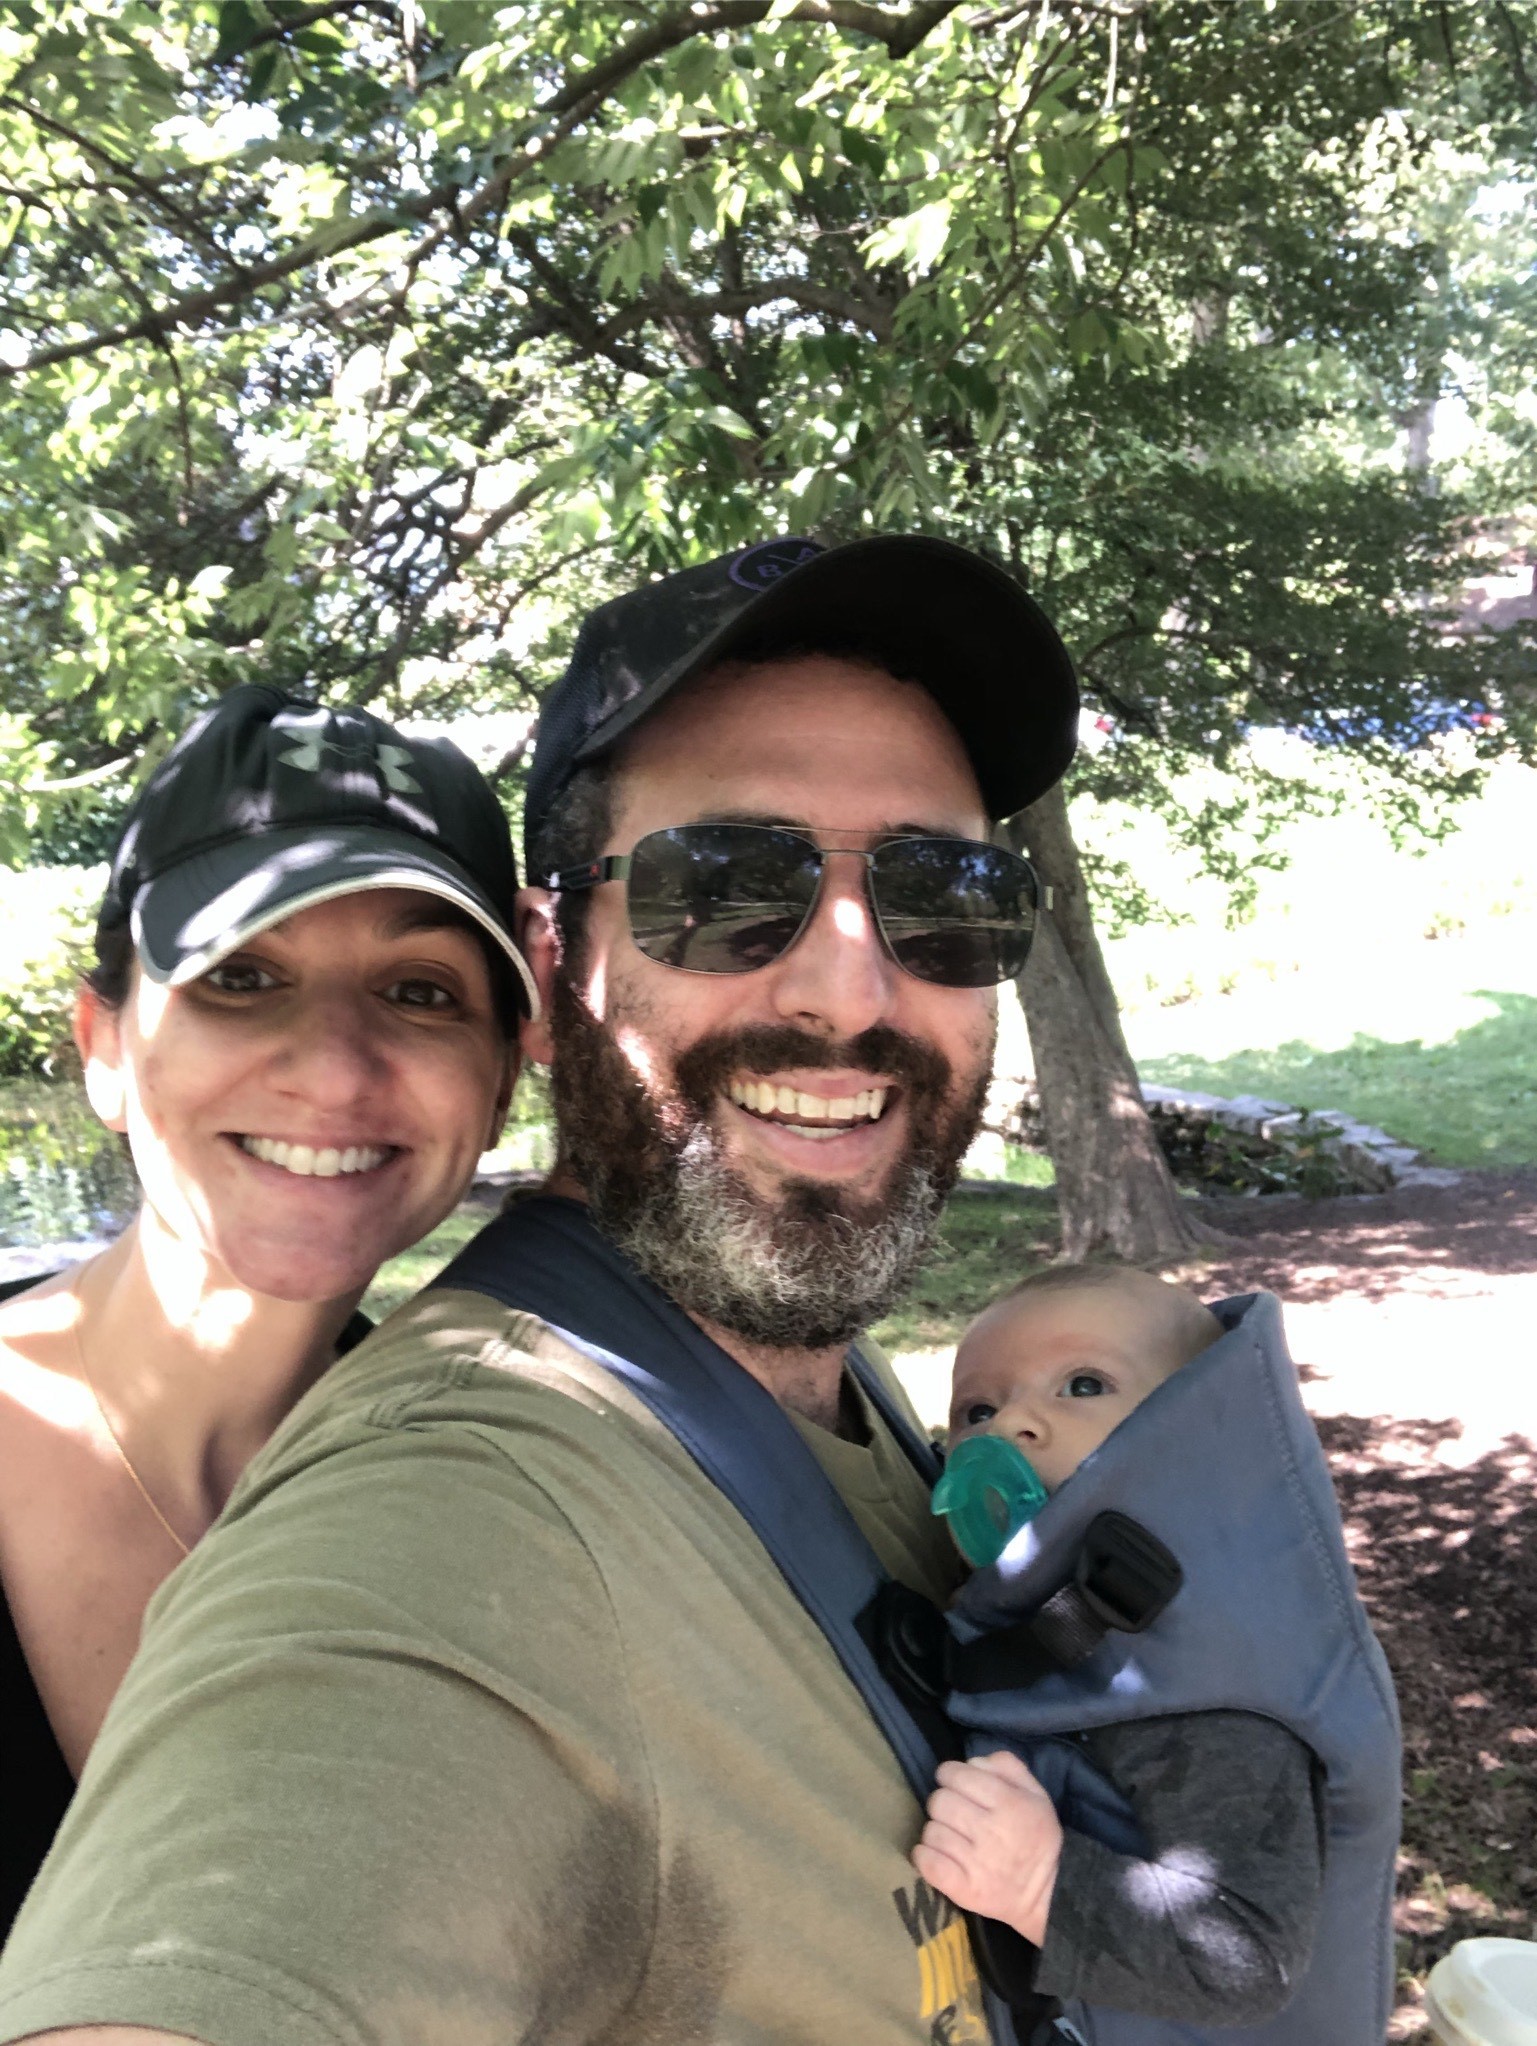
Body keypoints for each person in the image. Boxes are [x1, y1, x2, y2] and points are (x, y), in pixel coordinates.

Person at [0, 533, 1080, 2046]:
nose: (850, 986)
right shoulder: (453, 1501)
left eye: (947, 890)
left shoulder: (789, 1370)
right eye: (726, 881)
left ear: (508, 1029)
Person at [0, 683, 535, 1940]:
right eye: (243, 976)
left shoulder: (486, 1501)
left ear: (504, 1080)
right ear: (105, 1049)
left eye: (420, 992)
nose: (336, 1067)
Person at [916, 1265, 1325, 2026]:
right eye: (976, 1406)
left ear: (1197, 1440)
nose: (1008, 1426)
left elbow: (1247, 1959)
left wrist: (1041, 1884)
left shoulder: (1208, 1700)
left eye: (1079, 1385)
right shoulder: (1027, 1612)